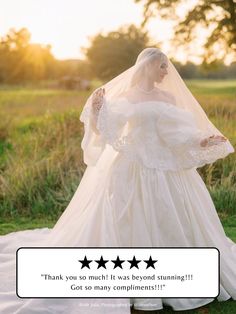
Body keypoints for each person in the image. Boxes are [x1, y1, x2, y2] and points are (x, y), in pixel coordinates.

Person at [0, 47, 235, 313]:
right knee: (126, 215)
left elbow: (179, 133)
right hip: (130, 164)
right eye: (162, 66)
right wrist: (99, 111)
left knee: (170, 214)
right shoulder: (126, 96)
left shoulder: (169, 97)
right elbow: (105, 130)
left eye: (166, 66)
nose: (166, 71)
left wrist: (202, 140)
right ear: (147, 66)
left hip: (163, 166)